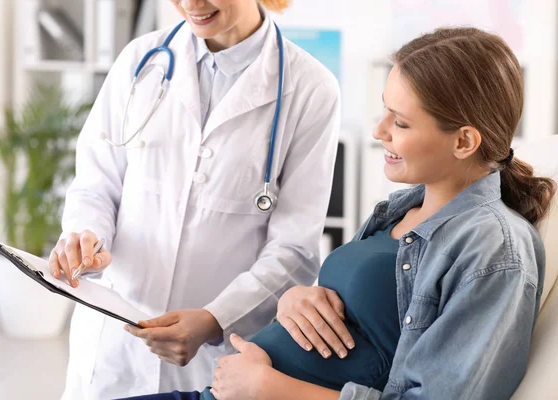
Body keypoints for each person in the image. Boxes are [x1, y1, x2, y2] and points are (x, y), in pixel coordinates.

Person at [121, 27, 557, 400]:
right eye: (384, 109)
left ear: (464, 141)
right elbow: (359, 319)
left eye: (401, 123)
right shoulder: (400, 211)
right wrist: (297, 299)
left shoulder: (494, 247)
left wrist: (273, 388)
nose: (378, 131)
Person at [50, 0, 341, 398]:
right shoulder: (140, 60)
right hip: (115, 349)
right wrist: (87, 237)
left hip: (216, 362)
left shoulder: (311, 88)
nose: (191, 4)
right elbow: (96, 184)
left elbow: (294, 249)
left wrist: (214, 319)